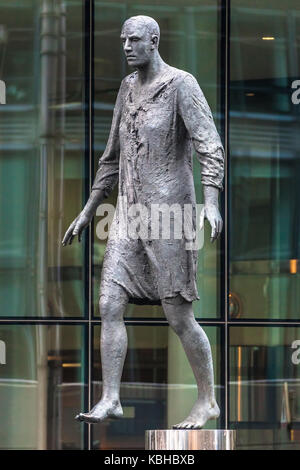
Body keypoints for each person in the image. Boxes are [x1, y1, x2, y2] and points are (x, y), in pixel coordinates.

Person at [62, 15, 224, 429]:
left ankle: (207, 401)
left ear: (154, 41)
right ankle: (111, 397)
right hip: (129, 215)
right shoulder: (127, 88)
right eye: (122, 40)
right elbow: (111, 157)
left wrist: (211, 202)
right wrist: (87, 210)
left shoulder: (181, 85)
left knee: (179, 317)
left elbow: (211, 147)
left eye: (134, 40)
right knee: (108, 303)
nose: (126, 47)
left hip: (171, 215)